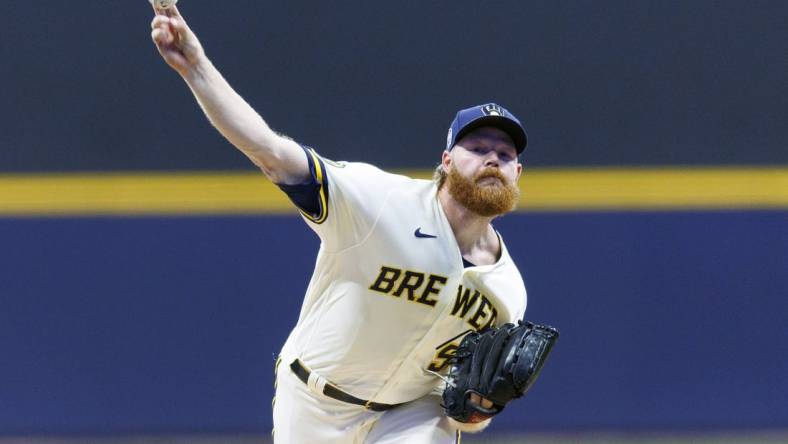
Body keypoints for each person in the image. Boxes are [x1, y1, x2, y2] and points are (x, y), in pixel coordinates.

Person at [150, 5, 529, 443]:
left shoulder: (507, 290)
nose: (492, 160)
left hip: (410, 416)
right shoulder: (380, 202)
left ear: (517, 174)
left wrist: (480, 409)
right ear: (445, 162)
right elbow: (271, 152)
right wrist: (196, 67)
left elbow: (470, 411)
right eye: (477, 147)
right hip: (314, 400)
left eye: (505, 155)